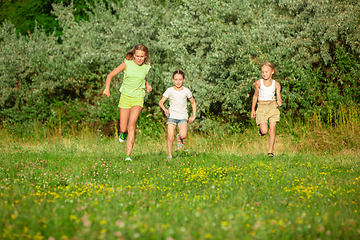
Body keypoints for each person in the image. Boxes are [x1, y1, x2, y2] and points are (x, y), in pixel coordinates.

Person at [103, 44, 152, 161]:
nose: (140, 59)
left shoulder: (146, 67)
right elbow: (110, 75)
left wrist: (147, 85)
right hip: (125, 97)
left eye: (142, 57)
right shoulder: (126, 64)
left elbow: (142, 77)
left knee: (131, 126)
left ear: (145, 57)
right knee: (123, 128)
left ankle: (128, 156)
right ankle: (123, 133)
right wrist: (107, 88)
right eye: (137, 56)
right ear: (133, 55)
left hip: (138, 98)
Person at [159, 70, 196, 160]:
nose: (178, 82)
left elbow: (193, 103)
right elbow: (161, 102)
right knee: (170, 137)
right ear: (173, 80)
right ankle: (169, 156)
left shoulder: (186, 91)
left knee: (183, 135)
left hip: (183, 116)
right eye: (176, 79)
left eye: (180, 79)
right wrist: (165, 109)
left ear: (183, 80)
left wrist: (193, 115)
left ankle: (179, 137)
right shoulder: (169, 90)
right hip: (172, 116)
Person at [251, 62, 282, 157]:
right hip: (261, 107)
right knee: (265, 131)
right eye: (262, 72)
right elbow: (255, 95)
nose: (264, 74)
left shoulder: (276, 84)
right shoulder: (258, 83)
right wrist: (253, 110)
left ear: (272, 72)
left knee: (272, 130)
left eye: (266, 72)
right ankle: (261, 131)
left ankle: (270, 152)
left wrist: (279, 101)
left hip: (272, 106)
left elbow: (279, 97)